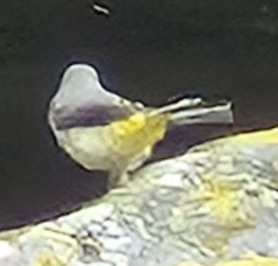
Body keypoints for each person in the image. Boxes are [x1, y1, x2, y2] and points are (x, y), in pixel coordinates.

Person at [48, 63, 233, 187]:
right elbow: (128, 115)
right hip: (131, 120)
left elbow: (95, 115)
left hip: (97, 135)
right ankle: (208, 112)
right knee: (160, 119)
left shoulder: (61, 105)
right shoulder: (100, 98)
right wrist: (135, 113)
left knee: (157, 120)